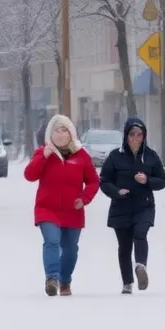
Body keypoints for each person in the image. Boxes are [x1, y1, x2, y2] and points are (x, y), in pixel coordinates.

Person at [24, 115, 100, 297]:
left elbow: (93, 181)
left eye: (64, 130)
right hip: (47, 208)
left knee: (71, 249)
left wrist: (84, 198)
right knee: (52, 241)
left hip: (73, 211)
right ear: (51, 133)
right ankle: (52, 278)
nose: (60, 134)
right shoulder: (43, 153)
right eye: (56, 130)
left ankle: (65, 280)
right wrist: (43, 157)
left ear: (71, 133)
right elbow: (30, 175)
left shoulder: (81, 156)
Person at [99, 117, 165, 295]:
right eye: (132, 134)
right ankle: (127, 282)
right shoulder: (115, 156)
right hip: (121, 207)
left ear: (144, 136)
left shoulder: (151, 156)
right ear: (126, 135)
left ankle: (140, 266)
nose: (135, 138)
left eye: (139, 134)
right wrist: (116, 192)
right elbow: (104, 181)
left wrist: (147, 180)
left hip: (144, 205)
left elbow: (162, 181)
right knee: (124, 246)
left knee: (140, 233)